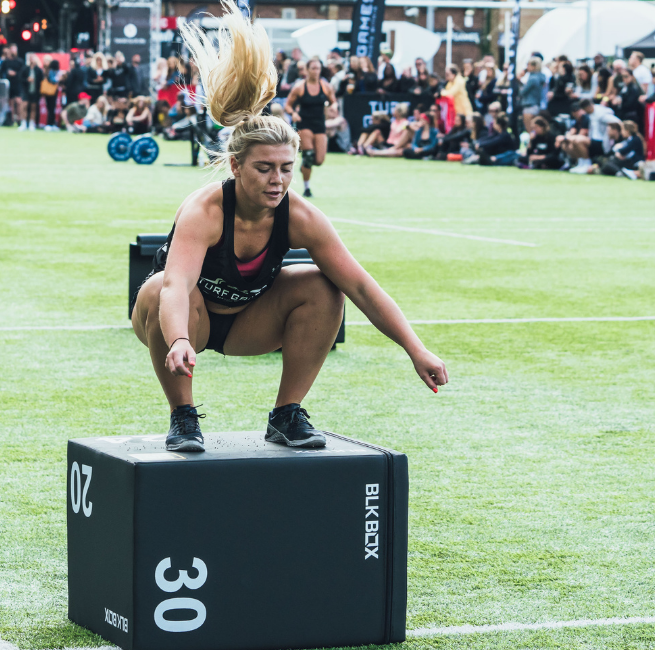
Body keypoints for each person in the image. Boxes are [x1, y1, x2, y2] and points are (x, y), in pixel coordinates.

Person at [133, 1, 448, 452]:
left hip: (251, 324)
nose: (277, 180)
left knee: (325, 286)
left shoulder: (300, 217)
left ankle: (286, 414)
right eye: (264, 168)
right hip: (187, 322)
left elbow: (361, 287)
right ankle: (183, 417)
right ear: (237, 166)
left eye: (286, 168)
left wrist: (416, 349)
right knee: (155, 284)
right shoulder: (204, 209)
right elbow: (176, 288)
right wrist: (181, 339)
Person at [285, 56, 337, 197]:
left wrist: (334, 107)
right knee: (308, 155)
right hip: (305, 123)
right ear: (307, 70)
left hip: (319, 124)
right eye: (313, 68)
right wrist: (294, 114)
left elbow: (333, 101)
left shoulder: (325, 86)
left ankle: (304, 167)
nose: (316, 71)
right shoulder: (300, 87)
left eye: (318, 68)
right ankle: (307, 188)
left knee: (319, 160)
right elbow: (288, 105)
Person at [23, 53, 43, 131]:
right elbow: (20, 79)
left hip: (35, 91)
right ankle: (24, 123)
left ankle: (31, 123)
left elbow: (41, 80)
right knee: (24, 106)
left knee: (33, 108)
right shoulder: (25, 68)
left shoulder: (38, 70)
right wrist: (27, 80)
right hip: (26, 91)